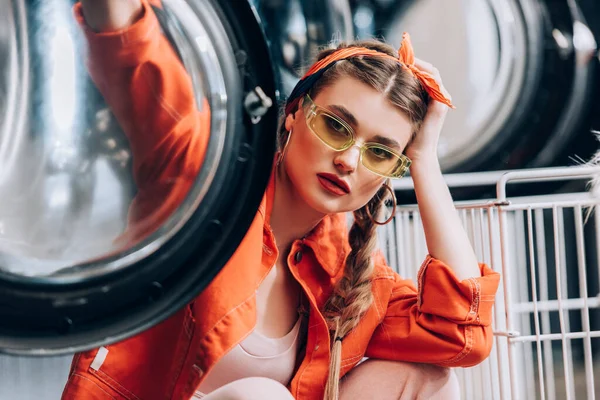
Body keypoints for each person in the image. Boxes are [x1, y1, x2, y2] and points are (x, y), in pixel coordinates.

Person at [63, 1, 501, 399]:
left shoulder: (349, 272)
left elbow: (461, 334)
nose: (348, 160)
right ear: (293, 112)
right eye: (335, 125)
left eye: (381, 153)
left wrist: (425, 161)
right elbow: (129, 45)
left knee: (430, 381)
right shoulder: (207, 178)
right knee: (260, 396)